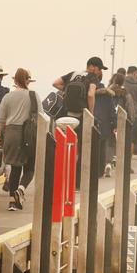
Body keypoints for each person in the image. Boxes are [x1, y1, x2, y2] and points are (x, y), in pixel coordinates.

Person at [53, 56, 105, 188]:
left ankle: (62, 178)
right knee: (80, 149)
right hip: (81, 117)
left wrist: (66, 91)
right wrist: (90, 114)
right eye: (99, 69)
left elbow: (55, 83)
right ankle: (75, 182)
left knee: (65, 147)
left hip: (67, 115)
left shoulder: (73, 74)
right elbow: (91, 95)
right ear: (93, 67)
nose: (99, 72)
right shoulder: (92, 77)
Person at [0, 68, 43, 211]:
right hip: (28, 134)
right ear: (28, 81)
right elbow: (41, 117)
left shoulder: (7, 97)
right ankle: (21, 189)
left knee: (15, 167)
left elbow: (0, 121)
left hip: (10, 134)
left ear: (15, 80)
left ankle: (12, 203)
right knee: (29, 168)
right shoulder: (34, 96)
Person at [124, 66, 137, 156]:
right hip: (134, 115)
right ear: (134, 73)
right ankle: (128, 163)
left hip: (123, 113)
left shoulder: (123, 82)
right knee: (131, 139)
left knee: (123, 137)